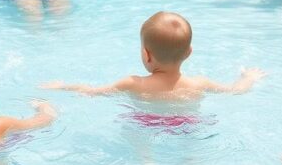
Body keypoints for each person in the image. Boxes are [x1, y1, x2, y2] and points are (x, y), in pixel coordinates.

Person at [42, 12, 264, 100]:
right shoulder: (199, 83)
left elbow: (92, 92)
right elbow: (235, 91)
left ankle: (146, 164)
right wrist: (249, 78)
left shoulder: (133, 83)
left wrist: (62, 86)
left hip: (146, 123)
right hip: (186, 124)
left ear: (146, 55)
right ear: (188, 53)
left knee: (138, 138)